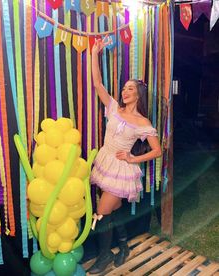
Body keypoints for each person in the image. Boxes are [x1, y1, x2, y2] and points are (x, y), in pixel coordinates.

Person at [88, 37, 162, 274]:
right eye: (124, 87)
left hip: (120, 169)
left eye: (130, 88)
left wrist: (132, 159)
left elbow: (157, 150)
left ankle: (104, 256)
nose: (125, 90)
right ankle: (122, 245)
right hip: (105, 160)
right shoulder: (113, 108)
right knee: (114, 209)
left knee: (101, 212)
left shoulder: (143, 122)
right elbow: (98, 84)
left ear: (139, 93)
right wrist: (94, 54)